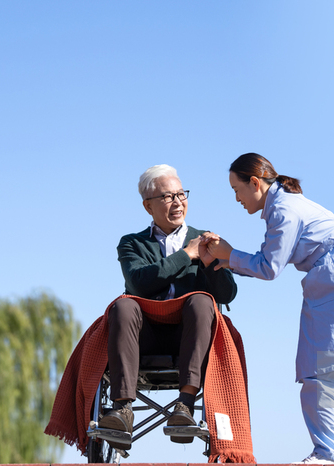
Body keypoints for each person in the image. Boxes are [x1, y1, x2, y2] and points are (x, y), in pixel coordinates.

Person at [202, 153, 334, 465]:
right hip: (327, 286)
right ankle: (329, 452)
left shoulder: (285, 209)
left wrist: (229, 253)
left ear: (255, 183)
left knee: (324, 373)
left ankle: (330, 454)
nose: (236, 198)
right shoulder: (282, 206)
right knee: (318, 372)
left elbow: (269, 266)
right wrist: (225, 258)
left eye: (236, 189)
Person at [99, 164, 239, 449]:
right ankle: (123, 408)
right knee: (123, 306)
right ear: (148, 206)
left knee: (202, 300)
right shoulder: (132, 243)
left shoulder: (206, 239)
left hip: (190, 336)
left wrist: (210, 260)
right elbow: (139, 284)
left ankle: (185, 406)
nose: (177, 202)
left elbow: (229, 293)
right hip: (143, 337)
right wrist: (187, 256)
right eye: (167, 197)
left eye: (181, 194)